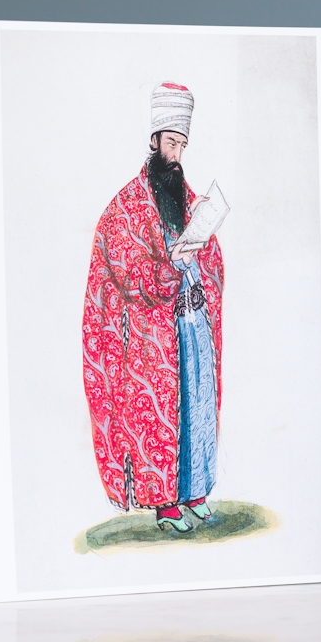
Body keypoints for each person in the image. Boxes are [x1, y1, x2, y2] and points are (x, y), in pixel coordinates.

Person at [81, 82, 224, 532]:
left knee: (198, 404)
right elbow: (127, 273)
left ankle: (194, 492)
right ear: (154, 141)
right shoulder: (124, 207)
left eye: (183, 144)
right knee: (164, 412)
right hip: (152, 334)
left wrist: (201, 241)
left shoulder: (185, 196)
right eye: (171, 143)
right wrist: (170, 266)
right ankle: (164, 504)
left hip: (191, 322)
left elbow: (211, 256)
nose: (177, 153)